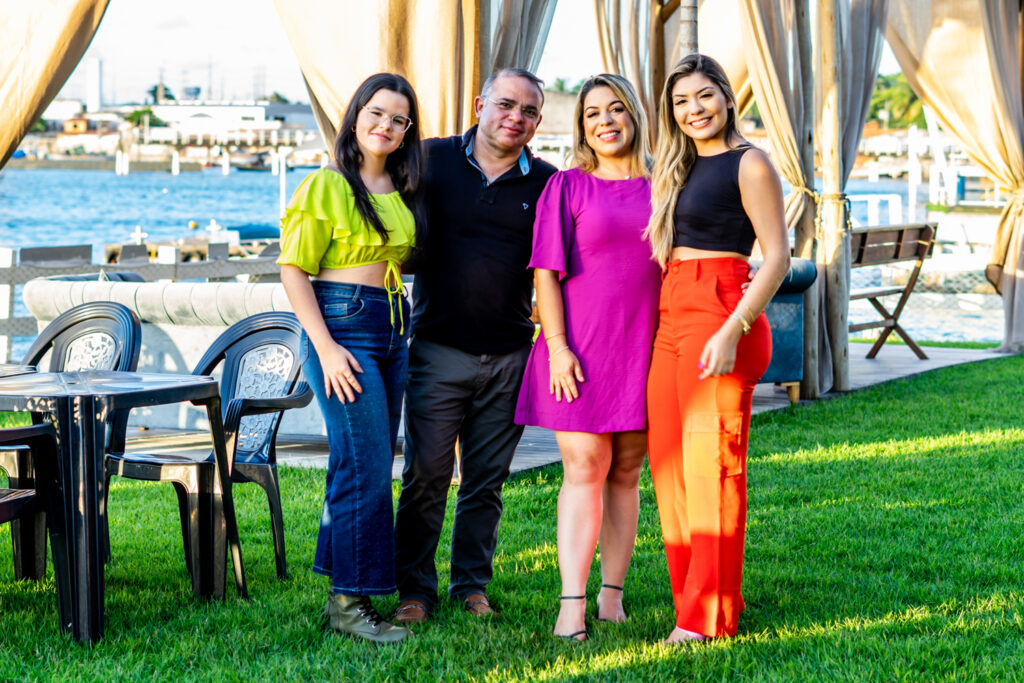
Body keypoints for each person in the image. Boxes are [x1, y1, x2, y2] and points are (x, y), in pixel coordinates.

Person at [391, 68, 557, 624]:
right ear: (480, 103)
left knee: (485, 483)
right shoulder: (430, 159)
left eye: (529, 112)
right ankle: (415, 589)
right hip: (436, 350)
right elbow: (366, 193)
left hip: (512, 354)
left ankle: (471, 586)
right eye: (506, 105)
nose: (516, 118)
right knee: (425, 478)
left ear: (537, 122)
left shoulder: (548, 183)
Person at [644, 54, 790, 643]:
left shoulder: (749, 163)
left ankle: (709, 620)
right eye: (680, 101)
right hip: (671, 310)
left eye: (704, 96)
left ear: (728, 98)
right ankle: (694, 602)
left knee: (713, 469)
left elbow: (777, 257)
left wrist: (734, 327)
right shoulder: (676, 168)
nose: (693, 110)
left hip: (723, 308)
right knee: (670, 467)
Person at [512, 74, 660, 641]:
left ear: (635, 117)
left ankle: (611, 597)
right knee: (583, 470)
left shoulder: (665, 187)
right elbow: (545, 276)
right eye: (593, 113)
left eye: (617, 109)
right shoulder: (567, 188)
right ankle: (570, 603)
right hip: (580, 352)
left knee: (626, 473)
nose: (606, 121)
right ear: (582, 126)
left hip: (646, 349)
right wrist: (557, 349)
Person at [277, 72, 423, 644]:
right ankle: (349, 604)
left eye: (399, 119)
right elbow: (293, 270)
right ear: (355, 115)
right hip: (343, 326)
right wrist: (327, 347)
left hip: (392, 324)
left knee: (358, 459)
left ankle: (341, 579)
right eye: (377, 114)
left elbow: (399, 258)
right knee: (366, 467)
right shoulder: (326, 184)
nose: (386, 126)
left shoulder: (397, 185)